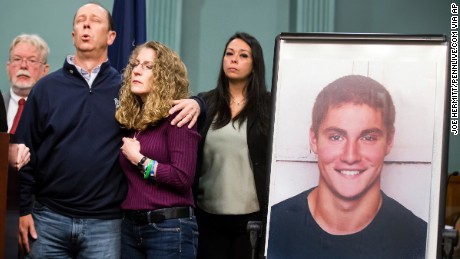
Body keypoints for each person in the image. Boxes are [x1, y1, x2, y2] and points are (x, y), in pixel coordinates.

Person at [16, 3, 202, 258]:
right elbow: (23, 151)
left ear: (112, 36)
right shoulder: (45, 88)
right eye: (80, 20)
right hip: (49, 219)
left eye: (95, 20)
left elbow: (168, 104)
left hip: (107, 224)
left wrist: (198, 103)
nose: (86, 24)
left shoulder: (126, 91)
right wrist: (23, 209)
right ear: (72, 34)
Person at [268, 75, 427, 258]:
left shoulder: (418, 240)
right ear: (314, 139)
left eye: (368, 138)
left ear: (389, 141)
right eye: (336, 137)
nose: (350, 156)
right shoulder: (275, 225)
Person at [116, 41, 200, 258]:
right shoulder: (133, 119)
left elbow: (182, 178)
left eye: (147, 66)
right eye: (135, 64)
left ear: (164, 75)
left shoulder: (178, 115)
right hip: (130, 228)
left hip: (169, 228)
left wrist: (140, 160)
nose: (136, 70)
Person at [195, 32, 271, 259]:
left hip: (250, 220)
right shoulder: (204, 102)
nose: (234, 59)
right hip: (207, 217)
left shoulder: (269, 105)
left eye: (243, 55)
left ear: (255, 64)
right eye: (229, 54)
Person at [4, 34, 50, 133]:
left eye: (32, 60)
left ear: (45, 70)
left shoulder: (54, 111)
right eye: (17, 59)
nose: (23, 65)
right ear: (8, 67)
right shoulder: (2, 104)